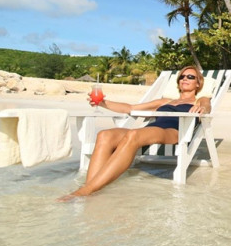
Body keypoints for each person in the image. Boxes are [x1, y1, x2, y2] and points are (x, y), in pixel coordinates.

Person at [59, 66, 210, 200]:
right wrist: (102, 103)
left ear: (198, 83)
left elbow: (206, 106)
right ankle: (90, 187)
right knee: (104, 135)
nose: (185, 79)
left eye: (190, 77)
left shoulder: (199, 100)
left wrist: (202, 109)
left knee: (133, 134)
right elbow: (130, 108)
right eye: (182, 76)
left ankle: (86, 191)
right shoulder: (164, 102)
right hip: (151, 130)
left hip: (174, 132)